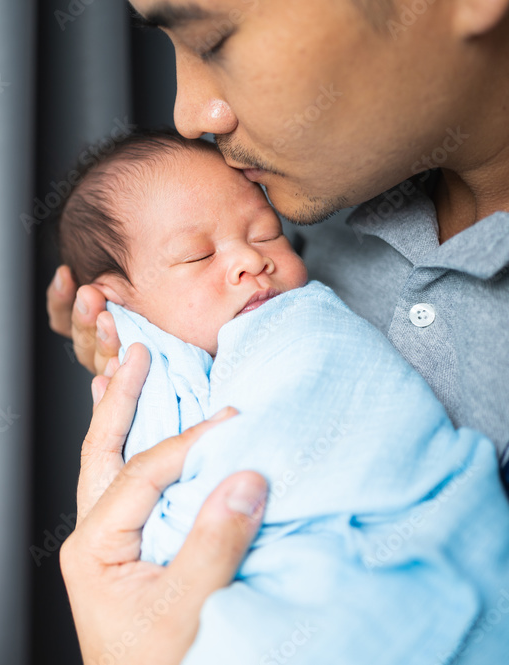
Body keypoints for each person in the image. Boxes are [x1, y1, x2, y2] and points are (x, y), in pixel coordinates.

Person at [48, 1, 509, 663]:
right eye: (200, 255)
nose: (188, 115)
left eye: (214, 40)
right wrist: (152, 355)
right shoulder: (310, 220)